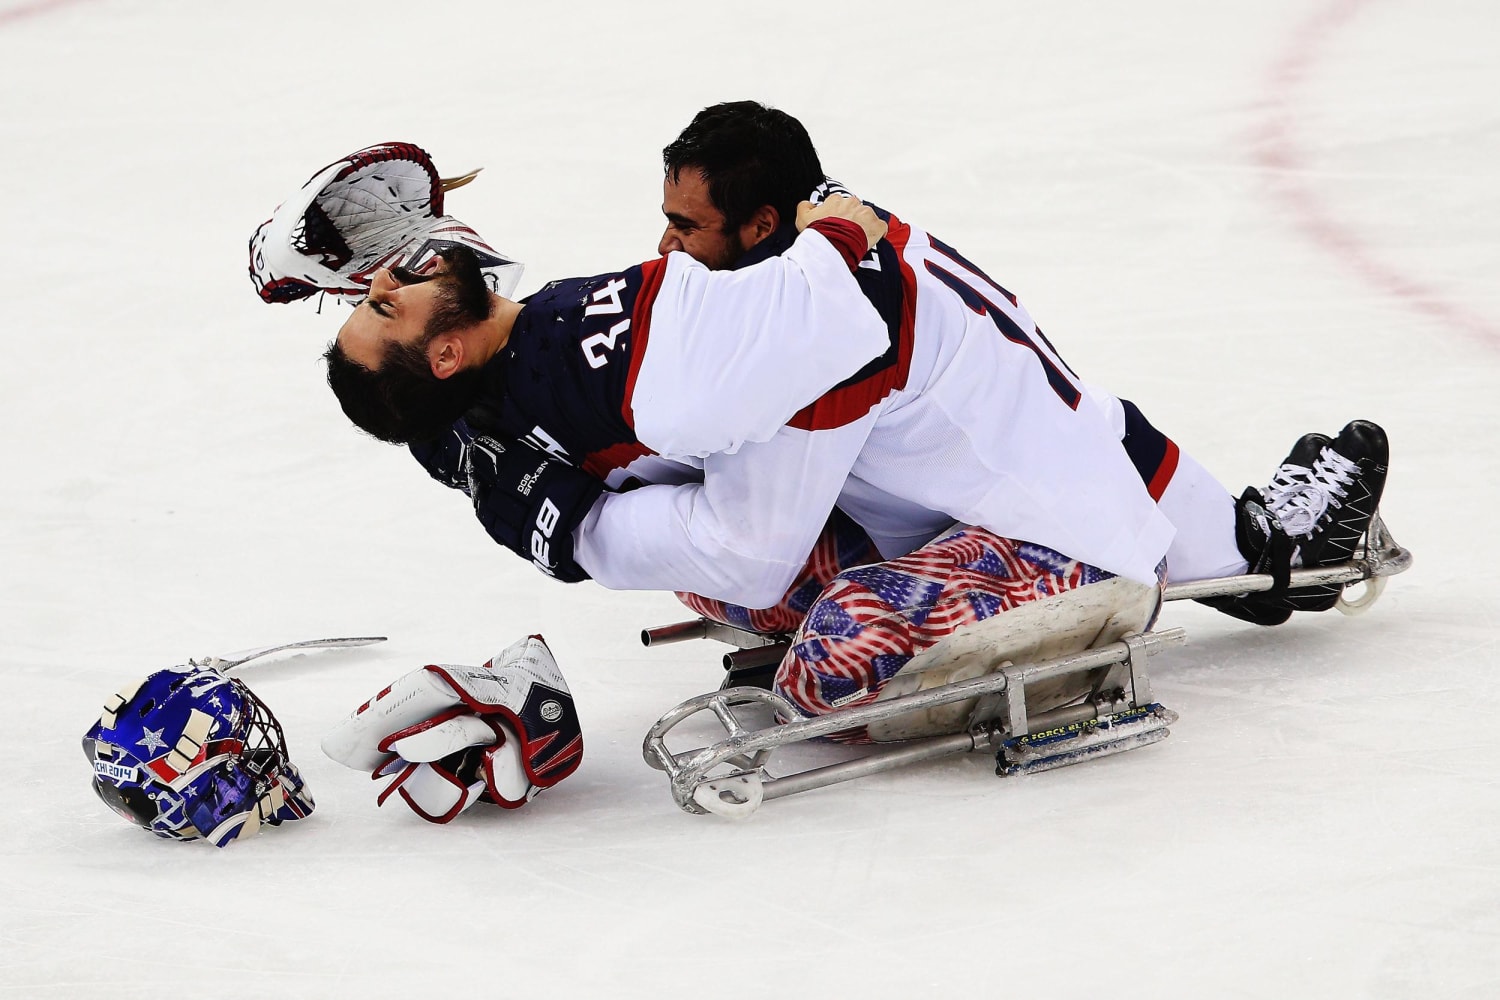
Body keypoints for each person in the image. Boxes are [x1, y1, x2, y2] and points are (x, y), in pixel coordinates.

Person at [257, 121, 1387, 739]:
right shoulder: (605, 369)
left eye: (371, 295)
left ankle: (1266, 550)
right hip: (999, 462)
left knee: (830, 602)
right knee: (793, 583)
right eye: (381, 302)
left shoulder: (593, 356)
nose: (383, 281)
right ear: (443, 356)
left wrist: (587, 523)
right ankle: (1263, 550)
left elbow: (714, 455)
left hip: (1037, 486)